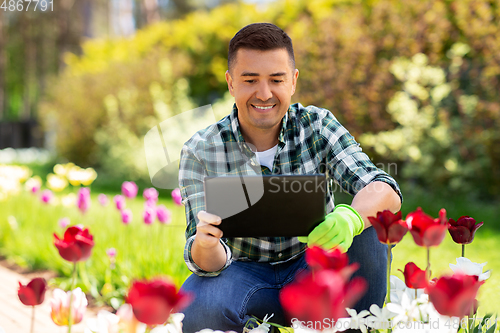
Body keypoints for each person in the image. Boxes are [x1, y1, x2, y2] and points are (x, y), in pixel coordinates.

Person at [178, 23, 402, 332]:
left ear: (293, 81)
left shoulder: (318, 126)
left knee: (370, 228)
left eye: (276, 79)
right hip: (242, 274)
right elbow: (206, 262)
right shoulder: (201, 150)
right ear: (231, 83)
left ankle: (354, 330)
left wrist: (350, 219)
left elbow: (385, 189)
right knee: (196, 307)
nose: (264, 93)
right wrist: (206, 244)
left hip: (315, 268)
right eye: (250, 80)